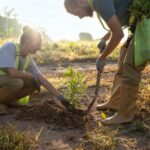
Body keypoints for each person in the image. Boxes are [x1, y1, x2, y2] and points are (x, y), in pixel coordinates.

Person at [64, 0, 147, 125]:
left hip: (145, 23)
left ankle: (125, 115)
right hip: (137, 25)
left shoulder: (99, 1)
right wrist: (104, 38)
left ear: (79, 2)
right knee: (123, 59)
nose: (81, 17)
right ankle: (115, 102)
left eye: (77, 13)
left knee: (130, 65)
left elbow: (118, 34)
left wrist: (102, 57)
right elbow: (117, 22)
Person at [0, 26, 69, 114]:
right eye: (38, 43)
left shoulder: (28, 59)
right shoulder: (10, 47)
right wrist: (30, 75)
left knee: (35, 82)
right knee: (17, 82)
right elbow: (12, 73)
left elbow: (41, 78)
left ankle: (8, 100)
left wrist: (60, 97)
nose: (40, 47)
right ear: (28, 41)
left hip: (4, 81)